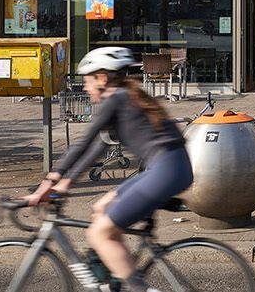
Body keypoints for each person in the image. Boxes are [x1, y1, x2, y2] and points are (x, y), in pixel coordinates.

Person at [24, 47, 191, 292]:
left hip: (165, 171)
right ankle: (114, 277)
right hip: (169, 168)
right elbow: (95, 148)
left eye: (87, 81)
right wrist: (65, 183)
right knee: (100, 208)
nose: (84, 87)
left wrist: (49, 182)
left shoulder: (116, 98)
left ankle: (138, 288)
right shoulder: (125, 97)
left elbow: (82, 143)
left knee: (100, 233)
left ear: (102, 78)